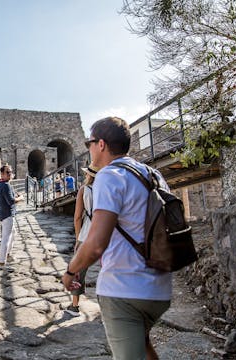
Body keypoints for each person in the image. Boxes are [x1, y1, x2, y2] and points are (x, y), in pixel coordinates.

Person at [62, 117, 172, 360]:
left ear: (100, 144)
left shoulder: (109, 175)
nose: (87, 148)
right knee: (142, 344)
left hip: (125, 288)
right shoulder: (152, 174)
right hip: (160, 287)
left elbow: (97, 243)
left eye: (88, 142)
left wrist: (71, 272)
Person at [66, 163, 99, 316]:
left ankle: (74, 306)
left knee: (78, 270)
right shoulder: (107, 189)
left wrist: (78, 238)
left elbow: (78, 217)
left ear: (89, 175)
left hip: (87, 234)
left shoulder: (84, 190)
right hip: (106, 233)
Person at [0, 165, 23, 269]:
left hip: (3, 214)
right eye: (7, 172)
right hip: (7, 214)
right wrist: (20, 198)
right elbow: (11, 201)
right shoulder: (5, 185)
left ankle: (7, 255)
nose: (10, 174)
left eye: (11, 172)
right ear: (2, 174)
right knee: (6, 238)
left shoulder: (0, 184)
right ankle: (2, 262)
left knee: (12, 233)